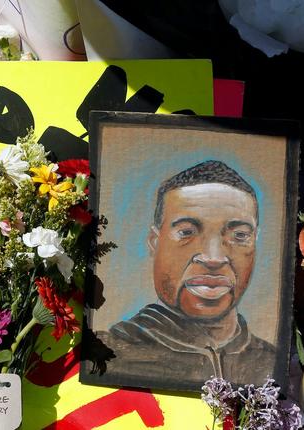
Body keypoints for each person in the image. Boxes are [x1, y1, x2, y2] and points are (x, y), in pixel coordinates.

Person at [99, 160, 277, 390]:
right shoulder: (108, 353)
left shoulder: (272, 364)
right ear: (155, 242)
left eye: (240, 235)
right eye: (186, 232)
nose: (213, 258)